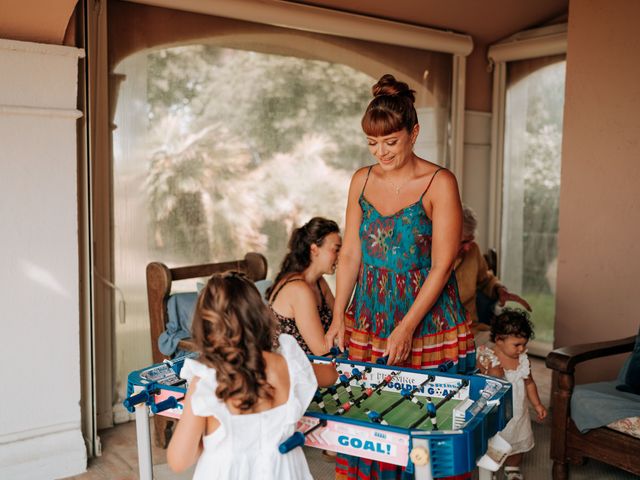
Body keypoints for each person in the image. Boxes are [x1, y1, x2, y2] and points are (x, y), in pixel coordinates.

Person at [324, 73, 475, 480]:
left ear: (414, 133)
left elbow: (443, 266)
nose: (381, 152)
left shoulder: (440, 183)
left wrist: (407, 326)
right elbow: (352, 253)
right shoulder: (362, 179)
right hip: (370, 317)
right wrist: (339, 315)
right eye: (373, 144)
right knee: (369, 420)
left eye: (390, 142)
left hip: (427, 322)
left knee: (422, 428)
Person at [167, 272, 338, 480]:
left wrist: (204, 440)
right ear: (260, 317)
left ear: (206, 327)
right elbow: (331, 375)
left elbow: (178, 460)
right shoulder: (287, 364)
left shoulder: (206, 380)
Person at [476, 309, 547, 480]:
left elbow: (529, 383)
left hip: (518, 414)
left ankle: (512, 468)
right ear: (499, 339)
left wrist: (537, 405)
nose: (521, 349)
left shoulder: (523, 360)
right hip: (495, 414)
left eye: (524, 344)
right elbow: (477, 386)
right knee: (493, 444)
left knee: (518, 442)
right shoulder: (486, 357)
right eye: (517, 344)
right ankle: (489, 472)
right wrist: (492, 376)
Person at [454, 206, 531, 343]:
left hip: (471, 329)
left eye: (471, 240)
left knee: (510, 347)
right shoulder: (427, 257)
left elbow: (486, 280)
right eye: (463, 242)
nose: (468, 247)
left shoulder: (473, 250)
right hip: (443, 336)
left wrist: (499, 289)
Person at [267, 217, 342, 356]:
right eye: (336, 250)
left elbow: (341, 319)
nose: (341, 255)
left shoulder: (319, 283)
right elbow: (322, 351)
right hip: (293, 373)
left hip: (314, 368)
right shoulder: (298, 290)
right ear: (314, 249)